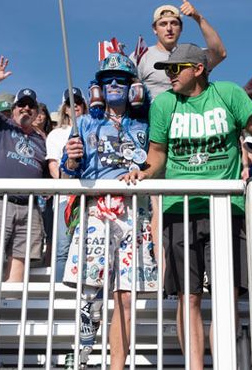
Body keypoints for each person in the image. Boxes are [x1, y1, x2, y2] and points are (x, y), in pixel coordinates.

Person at [126, 43, 252, 370]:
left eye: (175, 69)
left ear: (197, 69)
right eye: (166, 70)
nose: (169, 76)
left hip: (228, 210)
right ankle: (195, 367)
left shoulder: (227, 93)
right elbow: (158, 155)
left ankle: (228, 363)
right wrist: (145, 171)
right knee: (189, 295)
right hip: (180, 209)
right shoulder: (163, 104)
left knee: (229, 296)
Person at [60, 53, 157, 370]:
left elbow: (157, 162)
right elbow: (69, 171)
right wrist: (72, 159)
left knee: (126, 298)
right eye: (107, 79)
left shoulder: (146, 123)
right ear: (98, 88)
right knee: (90, 298)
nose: (114, 84)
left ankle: (117, 366)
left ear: (133, 87)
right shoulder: (85, 122)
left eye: (121, 79)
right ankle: (83, 359)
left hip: (134, 215)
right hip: (96, 213)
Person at [0, 56, 47, 282]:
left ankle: (12, 313)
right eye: (21, 105)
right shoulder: (0, 125)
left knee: (20, 263)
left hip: (29, 207)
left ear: (36, 113)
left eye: (31, 106)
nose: (26, 109)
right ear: (14, 109)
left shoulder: (42, 140)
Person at [135, 0, 227, 97]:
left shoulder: (192, 54)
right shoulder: (141, 56)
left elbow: (220, 54)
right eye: (163, 24)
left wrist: (198, 18)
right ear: (154, 29)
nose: (169, 28)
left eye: (174, 23)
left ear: (181, 28)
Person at [46, 88, 87, 277]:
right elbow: (54, 167)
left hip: (90, 197)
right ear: (65, 109)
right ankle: (62, 297)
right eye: (70, 103)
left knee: (87, 247)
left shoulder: (92, 127)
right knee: (63, 248)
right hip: (65, 198)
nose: (75, 106)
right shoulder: (55, 134)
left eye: (78, 102)